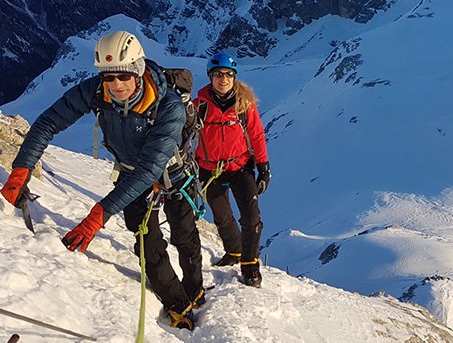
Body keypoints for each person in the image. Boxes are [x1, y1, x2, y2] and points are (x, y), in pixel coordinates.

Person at [0, 31, 203, 330]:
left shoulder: (168, 106)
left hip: (171, 175)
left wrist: (99, 214)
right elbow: (48, 123)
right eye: (109, 77)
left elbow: (149, 168)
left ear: (138, 70)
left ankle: (195, 287)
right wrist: (22, 169)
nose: (116, 85)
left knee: (184, 235)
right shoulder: (97, 91)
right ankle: (177, 303)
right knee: (147, 243)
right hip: (132, 176)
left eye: (123, 76)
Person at [194, 52, 270, 288]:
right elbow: (185, 134)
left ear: (235, 77)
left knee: (251, 218)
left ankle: (250, 266)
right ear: (210, 77)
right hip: (209, 168)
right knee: (222, 216)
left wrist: (263, 166)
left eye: (228, 74)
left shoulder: (243, 105)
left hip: (239, 166)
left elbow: (256, 135)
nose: (223, 79)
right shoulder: (199, 106)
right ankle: (234, 252)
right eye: (218, 74)